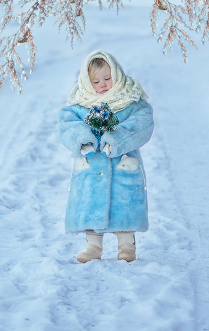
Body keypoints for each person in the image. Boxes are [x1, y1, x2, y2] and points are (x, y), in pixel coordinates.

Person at [59, 50, 154, 263]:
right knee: (91, 203)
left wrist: (117, 138)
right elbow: (67, 125)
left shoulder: (130, 100)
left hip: (123, 165)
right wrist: (82, 140)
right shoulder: (80, 104)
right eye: (96, 81)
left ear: (117, 76)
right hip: (91, 165)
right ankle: (93, 245)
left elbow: (142, 122)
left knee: (125, 204)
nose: (102, 84)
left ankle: (126, 244)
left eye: (107, 78)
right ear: (86, 81)